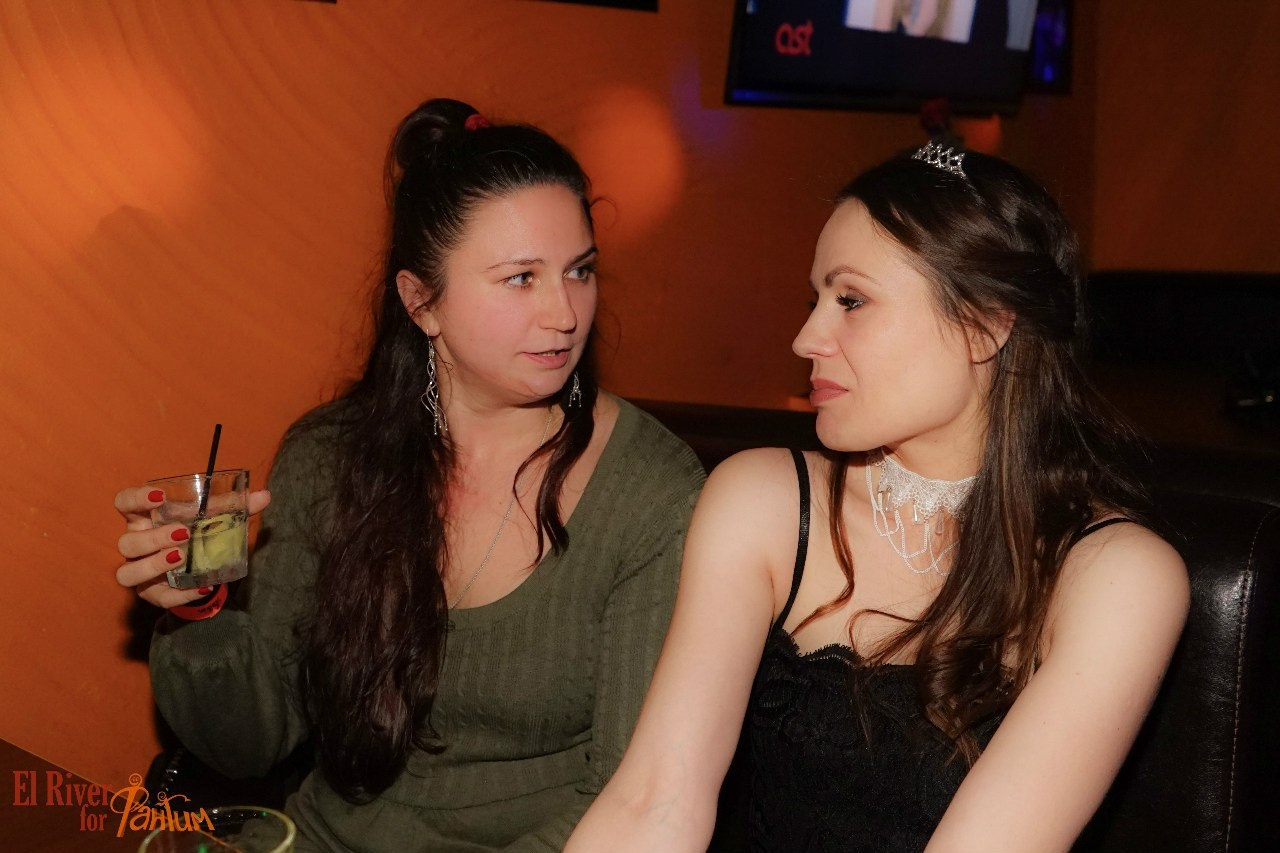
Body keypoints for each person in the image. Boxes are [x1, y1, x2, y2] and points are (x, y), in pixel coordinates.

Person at [112, 98, 705, 853]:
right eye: (521, 278)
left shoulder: (651, 491)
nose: (565, 313)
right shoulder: (330, 457)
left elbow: (632, 796)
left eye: (579, 271)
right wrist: (197, 610)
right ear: (421, 302)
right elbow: (249, 744)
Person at [564, 143, 1189, 853]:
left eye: (851, 300)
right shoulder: (764, 504)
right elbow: (653, 801)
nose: (806, 338)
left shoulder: (1116, 576)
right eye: (815, 301)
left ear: (985, 324)